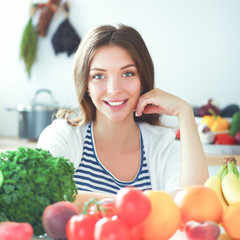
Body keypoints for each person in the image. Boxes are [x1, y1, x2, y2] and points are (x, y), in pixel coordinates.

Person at [37, 24, 209, 206]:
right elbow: (44, 195)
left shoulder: (163, 145)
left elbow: (194, 206)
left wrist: (185, 111)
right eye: (98, 76)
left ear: (142, 80)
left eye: (127, 73)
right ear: (86, 85)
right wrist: (135, 204)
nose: (114, 89)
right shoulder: (63, 136)